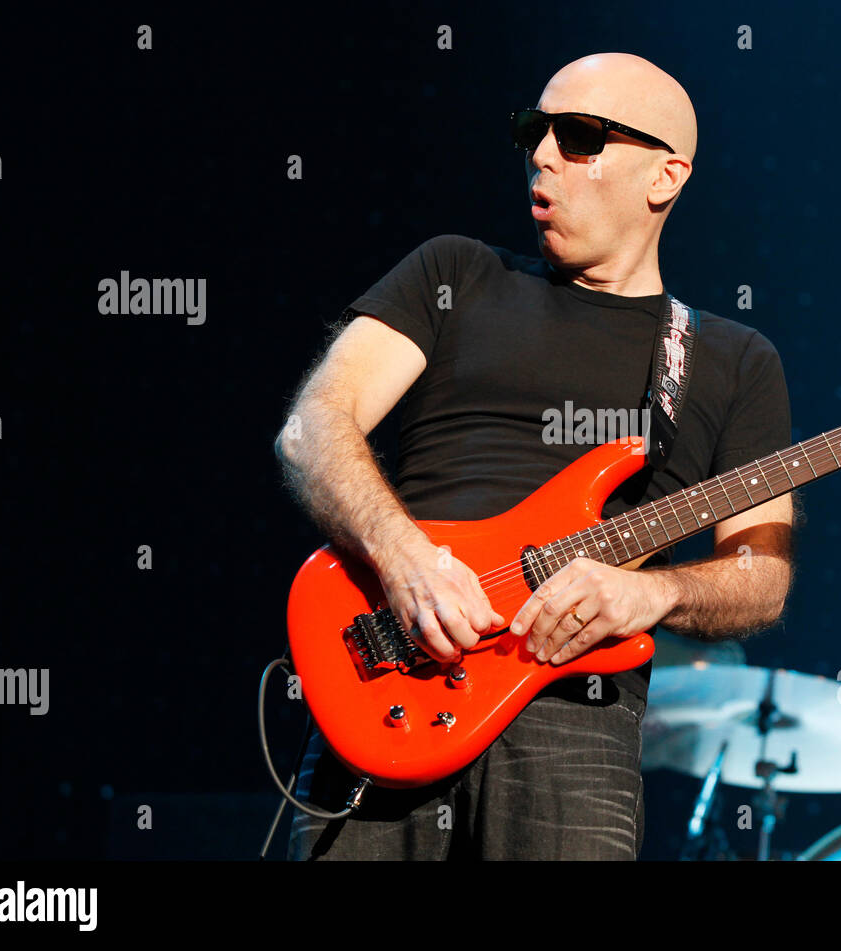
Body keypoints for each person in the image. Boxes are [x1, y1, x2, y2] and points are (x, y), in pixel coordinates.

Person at [275, 52, 795, 859]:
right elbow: (314, 426)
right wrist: (405, 556)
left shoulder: (732, 357)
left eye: (580, 136)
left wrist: (647, 595)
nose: (543, 153)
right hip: (392, 674)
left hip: (575, 710)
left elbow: (760, 576)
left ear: (665, 177)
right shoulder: (457, 272)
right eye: (533, 130)